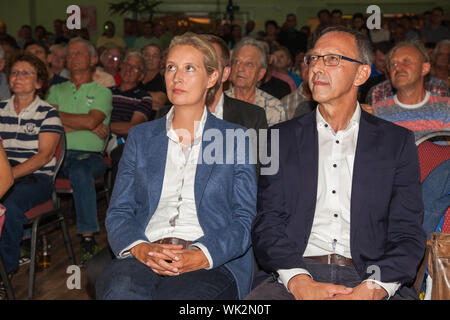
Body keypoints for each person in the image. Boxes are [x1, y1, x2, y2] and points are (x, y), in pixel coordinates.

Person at [248, 26, 426, 300]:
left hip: (371, 274)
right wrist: (298, 281)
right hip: (296, 271)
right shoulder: (278, 139)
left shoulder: (396, 143)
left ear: (362, 73)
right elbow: (267, 224)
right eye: (313, 59)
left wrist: (373, 289)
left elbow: (407, 233)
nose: (317, 68)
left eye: (332, 59)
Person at [96, 32, 257, 300]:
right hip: (146, 253)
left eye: (189, 68)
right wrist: (140, 248)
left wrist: (201, 255)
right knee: (121, 291)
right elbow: (119, 210)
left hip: (208, 259)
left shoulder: (234, 138)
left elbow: (245, 218)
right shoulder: (141, 137)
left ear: (213, 78)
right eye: (171, 67)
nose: (176, 77)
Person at [46, 37, 113, 266]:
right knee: (32, 173)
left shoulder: (102, 92)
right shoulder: (55, 89)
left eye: (79, 53)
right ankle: (27, 238)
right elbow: (47, 122)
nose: (72, 57)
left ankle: (87, 238)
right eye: (70, 54)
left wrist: (59, 118)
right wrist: (85, 123)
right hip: (56, 156)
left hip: (90, 157)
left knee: (82, 171)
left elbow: (92, 119)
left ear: (93, 59)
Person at [0, 52, 63, 285]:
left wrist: (8, 177)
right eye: (14, 72)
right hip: (4, 174)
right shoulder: (0, 109)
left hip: (36, 179)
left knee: (8, 206)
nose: (18, 77)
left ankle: (5, 272)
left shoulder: (48, 113)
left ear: (38, 83)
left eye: (26, 73)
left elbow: (44, 156)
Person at [370, 41, 449, 142]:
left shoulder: (446, 107)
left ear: (424, 68)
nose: (397, 68)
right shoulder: (377, 113)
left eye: (406, 61)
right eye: (393, 64)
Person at [106, 51, 153, 187]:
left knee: (124, 154)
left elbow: (133, 128)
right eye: (126, 65)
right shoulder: (105, 92)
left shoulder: (144, 97)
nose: (129, 70)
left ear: (142, 75)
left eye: (135, 68)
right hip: (96, 138)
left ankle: (118, 204)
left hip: (122, 141)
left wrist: (105, 127)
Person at [225, 38, 286, 126]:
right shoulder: (218, 101)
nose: (240, 68)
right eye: (237, 62)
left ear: (261, 73)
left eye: (249, 64)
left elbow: (273, 140)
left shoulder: (272, 107)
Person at [140, 44, 167, 111]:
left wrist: (132, 95)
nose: (150, 59)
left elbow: (159, 99)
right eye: (147, 55)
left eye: (155, 56)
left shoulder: (164, 80)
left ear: (160, 60)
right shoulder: (134, 76)